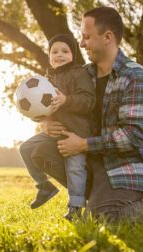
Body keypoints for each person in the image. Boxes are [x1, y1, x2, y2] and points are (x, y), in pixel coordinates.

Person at [51, 7, 143, 221]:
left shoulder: (136, 77)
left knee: (102, 218)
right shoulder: (83, 76)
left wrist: (83, 145)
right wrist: (47, 122)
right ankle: (99, 196)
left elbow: (133, 137)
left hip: (131, 166)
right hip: (98, 160)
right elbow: (62, 106)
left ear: (108, 37)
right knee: (39, 149)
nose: (81, 44)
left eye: (86, 37)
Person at [18, 34, 95, 220]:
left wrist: (66, 100)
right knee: (25, 148)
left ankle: (75, 209)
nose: (59, 55)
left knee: (74, 167)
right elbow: (39, 109)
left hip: (74, 132)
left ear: (73, 54)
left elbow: (88, 101)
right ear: (49, 55)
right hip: (55, 130)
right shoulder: (46, 79)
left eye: (65, 51)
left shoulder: (79, 73)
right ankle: (44, 186)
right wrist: (43, 122)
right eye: (54, 51)